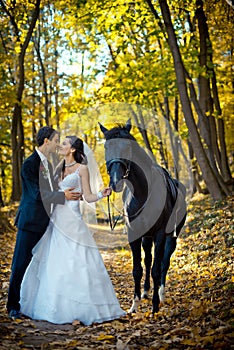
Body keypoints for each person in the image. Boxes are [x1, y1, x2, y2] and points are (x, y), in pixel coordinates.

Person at [20, 136, 126, 325]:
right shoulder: (57, 167)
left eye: (64, 144)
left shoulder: (82, 169)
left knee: (77, 260)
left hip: (73, 219)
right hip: (56, 219)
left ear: (73, 150)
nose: (60, 146)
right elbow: (49, 192)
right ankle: (50, 304)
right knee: (54, 259)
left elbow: (87, 196)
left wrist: (102, 194)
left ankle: (83, 306)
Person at [7, 127, 82, 320]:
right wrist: (62, 196)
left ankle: (34, 302)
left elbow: (52, 188)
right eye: (56, 140)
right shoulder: (29, 164)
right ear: (46, 141)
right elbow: (36, 194)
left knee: (40, 265)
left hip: (47, 223)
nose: (58, 144)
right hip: (30, 221)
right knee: (20, 263)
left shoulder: (48, 164)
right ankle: (12, 305)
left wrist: (69, 194)